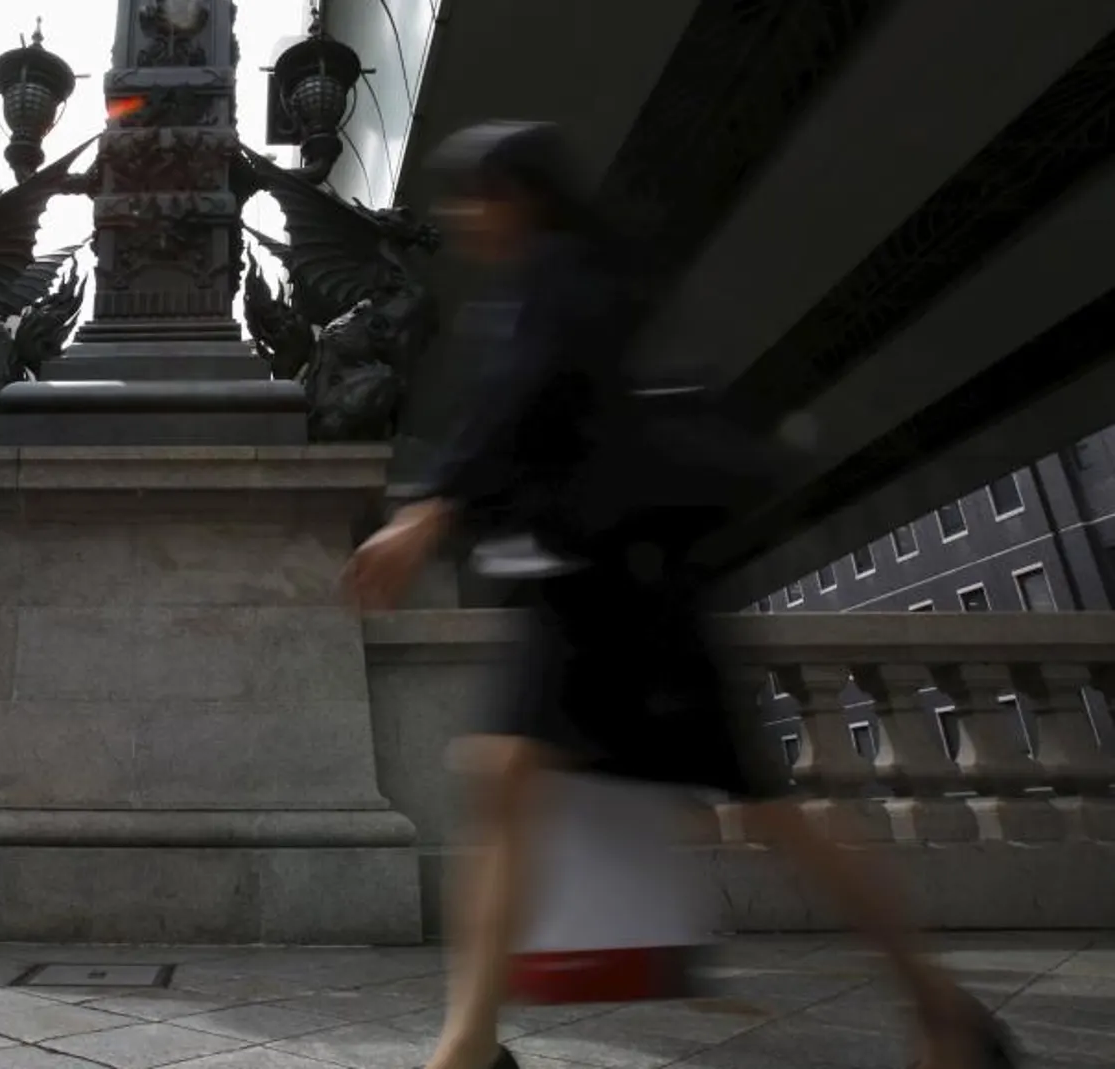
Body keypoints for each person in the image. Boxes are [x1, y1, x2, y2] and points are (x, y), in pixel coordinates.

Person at [343, 122, 1015, 1069]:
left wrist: (430, 510)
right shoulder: (554, 284)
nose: (459, 217)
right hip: (596, 592)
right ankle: (468, 1045)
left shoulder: (562, 280)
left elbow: (526, 401)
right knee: (515, 783)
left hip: (622, 597)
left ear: (517, 195)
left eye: (472, 195)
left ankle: (943, 1007)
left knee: (739, 807)